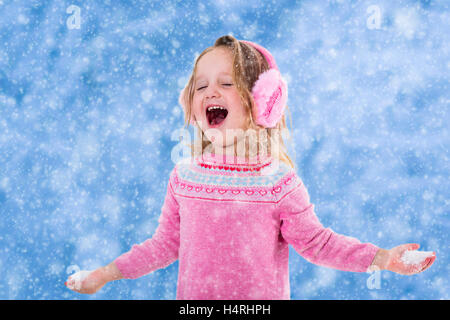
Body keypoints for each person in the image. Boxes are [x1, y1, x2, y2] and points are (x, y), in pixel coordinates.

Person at [65, 35, 436, 299]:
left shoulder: (279, 184)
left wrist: (382, 258)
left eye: (227, 83)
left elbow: (318, 243)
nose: (211, 91)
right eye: (201, 86)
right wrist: (104, 275)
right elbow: (164, 245)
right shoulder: (184, 178)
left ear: (262, 103)